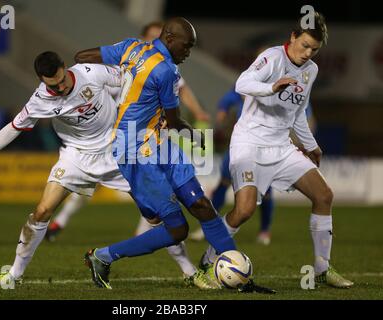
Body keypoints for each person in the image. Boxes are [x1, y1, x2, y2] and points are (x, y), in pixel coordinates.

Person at [74, 17, 274, 293]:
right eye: (187, 46)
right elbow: (175, 119)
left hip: (159, 143)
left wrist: (100, 81)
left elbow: (81, 57)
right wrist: (197, 134)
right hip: (134, 151)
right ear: (169, 38)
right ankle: (102, 256)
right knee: (177, 228)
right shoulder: (166, 71)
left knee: (202, 206)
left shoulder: (132, 47)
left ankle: (237, 270)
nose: (188, 53)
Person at [200, 12, 353, 288]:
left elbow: (296, 114)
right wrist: (272, 86)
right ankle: (208, 258)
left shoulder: (311, 71)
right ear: (293, 37)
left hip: (282, 147)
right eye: (304, 45)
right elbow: (242, 84)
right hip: (249, 143)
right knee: (243, 211)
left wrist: (310, 145)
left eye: (314, 49)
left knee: (324, 196)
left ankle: (321, 269)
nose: (308, 53)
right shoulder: (272, 57)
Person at [0, 51, 130, 286]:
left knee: (157, 213)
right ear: (41, 79)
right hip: (76, 157)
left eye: (62, 81)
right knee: (41, 212)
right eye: (54, 85)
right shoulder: (40, 99)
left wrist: (127, 107)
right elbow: (14, 127)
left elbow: (127, 77)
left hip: (115, 152)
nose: (61, 88)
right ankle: (13, 275)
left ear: (64, 67)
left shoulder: (92, 72)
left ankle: (187, 269)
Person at [46, 21, 211, 241]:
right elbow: (88, 65)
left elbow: (182, 89)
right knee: (92, 184)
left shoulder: (162, 67)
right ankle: (62, 222)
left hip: (136, 134)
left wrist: (198, 111)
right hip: (113, 131)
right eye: (152, 36)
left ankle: (148, 231)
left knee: (149, 188)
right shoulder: (127, 58)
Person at [188, 89, 317, 245]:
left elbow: (308, 116)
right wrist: (222, 114)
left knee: (266, 190)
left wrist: (304, 142)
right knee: (223, 184)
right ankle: (208, 227)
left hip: (269, 147)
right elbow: (226, 101)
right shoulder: (252, 80)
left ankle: (264, 231)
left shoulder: (291, 89)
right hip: (241, 144)